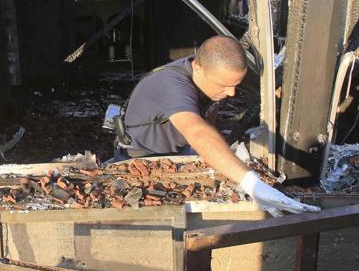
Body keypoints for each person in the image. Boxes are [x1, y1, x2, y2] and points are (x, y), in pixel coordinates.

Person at [116, 35, 317, 217]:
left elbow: (207, 122)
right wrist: (251, 182)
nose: (231, 93)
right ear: (198, 68)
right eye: (223, 85)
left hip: (178, 154)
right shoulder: (171, 85)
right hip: (140, 161)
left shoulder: (211, 79)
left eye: (235, 84)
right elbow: (197, 131)